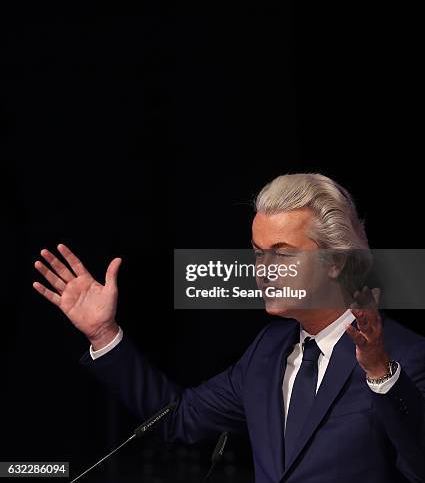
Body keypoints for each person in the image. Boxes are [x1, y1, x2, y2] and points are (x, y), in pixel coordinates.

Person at [33, 173, 425, 482]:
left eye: (282, 254)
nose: (264, 269)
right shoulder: (267, 352)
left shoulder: (405, 356)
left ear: (336, 262)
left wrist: (379, 372)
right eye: (258, 253)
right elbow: (179, 419)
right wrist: (104, 334)